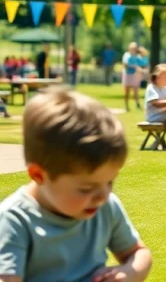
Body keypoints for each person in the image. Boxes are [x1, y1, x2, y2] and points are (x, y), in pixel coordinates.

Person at [0, 90, 152, 281]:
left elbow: (138, 253)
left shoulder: (105, 207)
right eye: (86, 189)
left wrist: (129, 273)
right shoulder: (15, 220)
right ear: (39, 175)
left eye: (109, 182)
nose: (102, 196)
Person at [122, 42, 144, 110]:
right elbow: (125, 65)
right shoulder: (126, 55)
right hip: (128, 74)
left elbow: (142, 64)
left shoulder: (137, 56)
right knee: (127, 92)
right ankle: (126, 106)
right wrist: (134, 66)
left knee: (136, 91)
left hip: (135, 75)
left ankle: (137, 104)